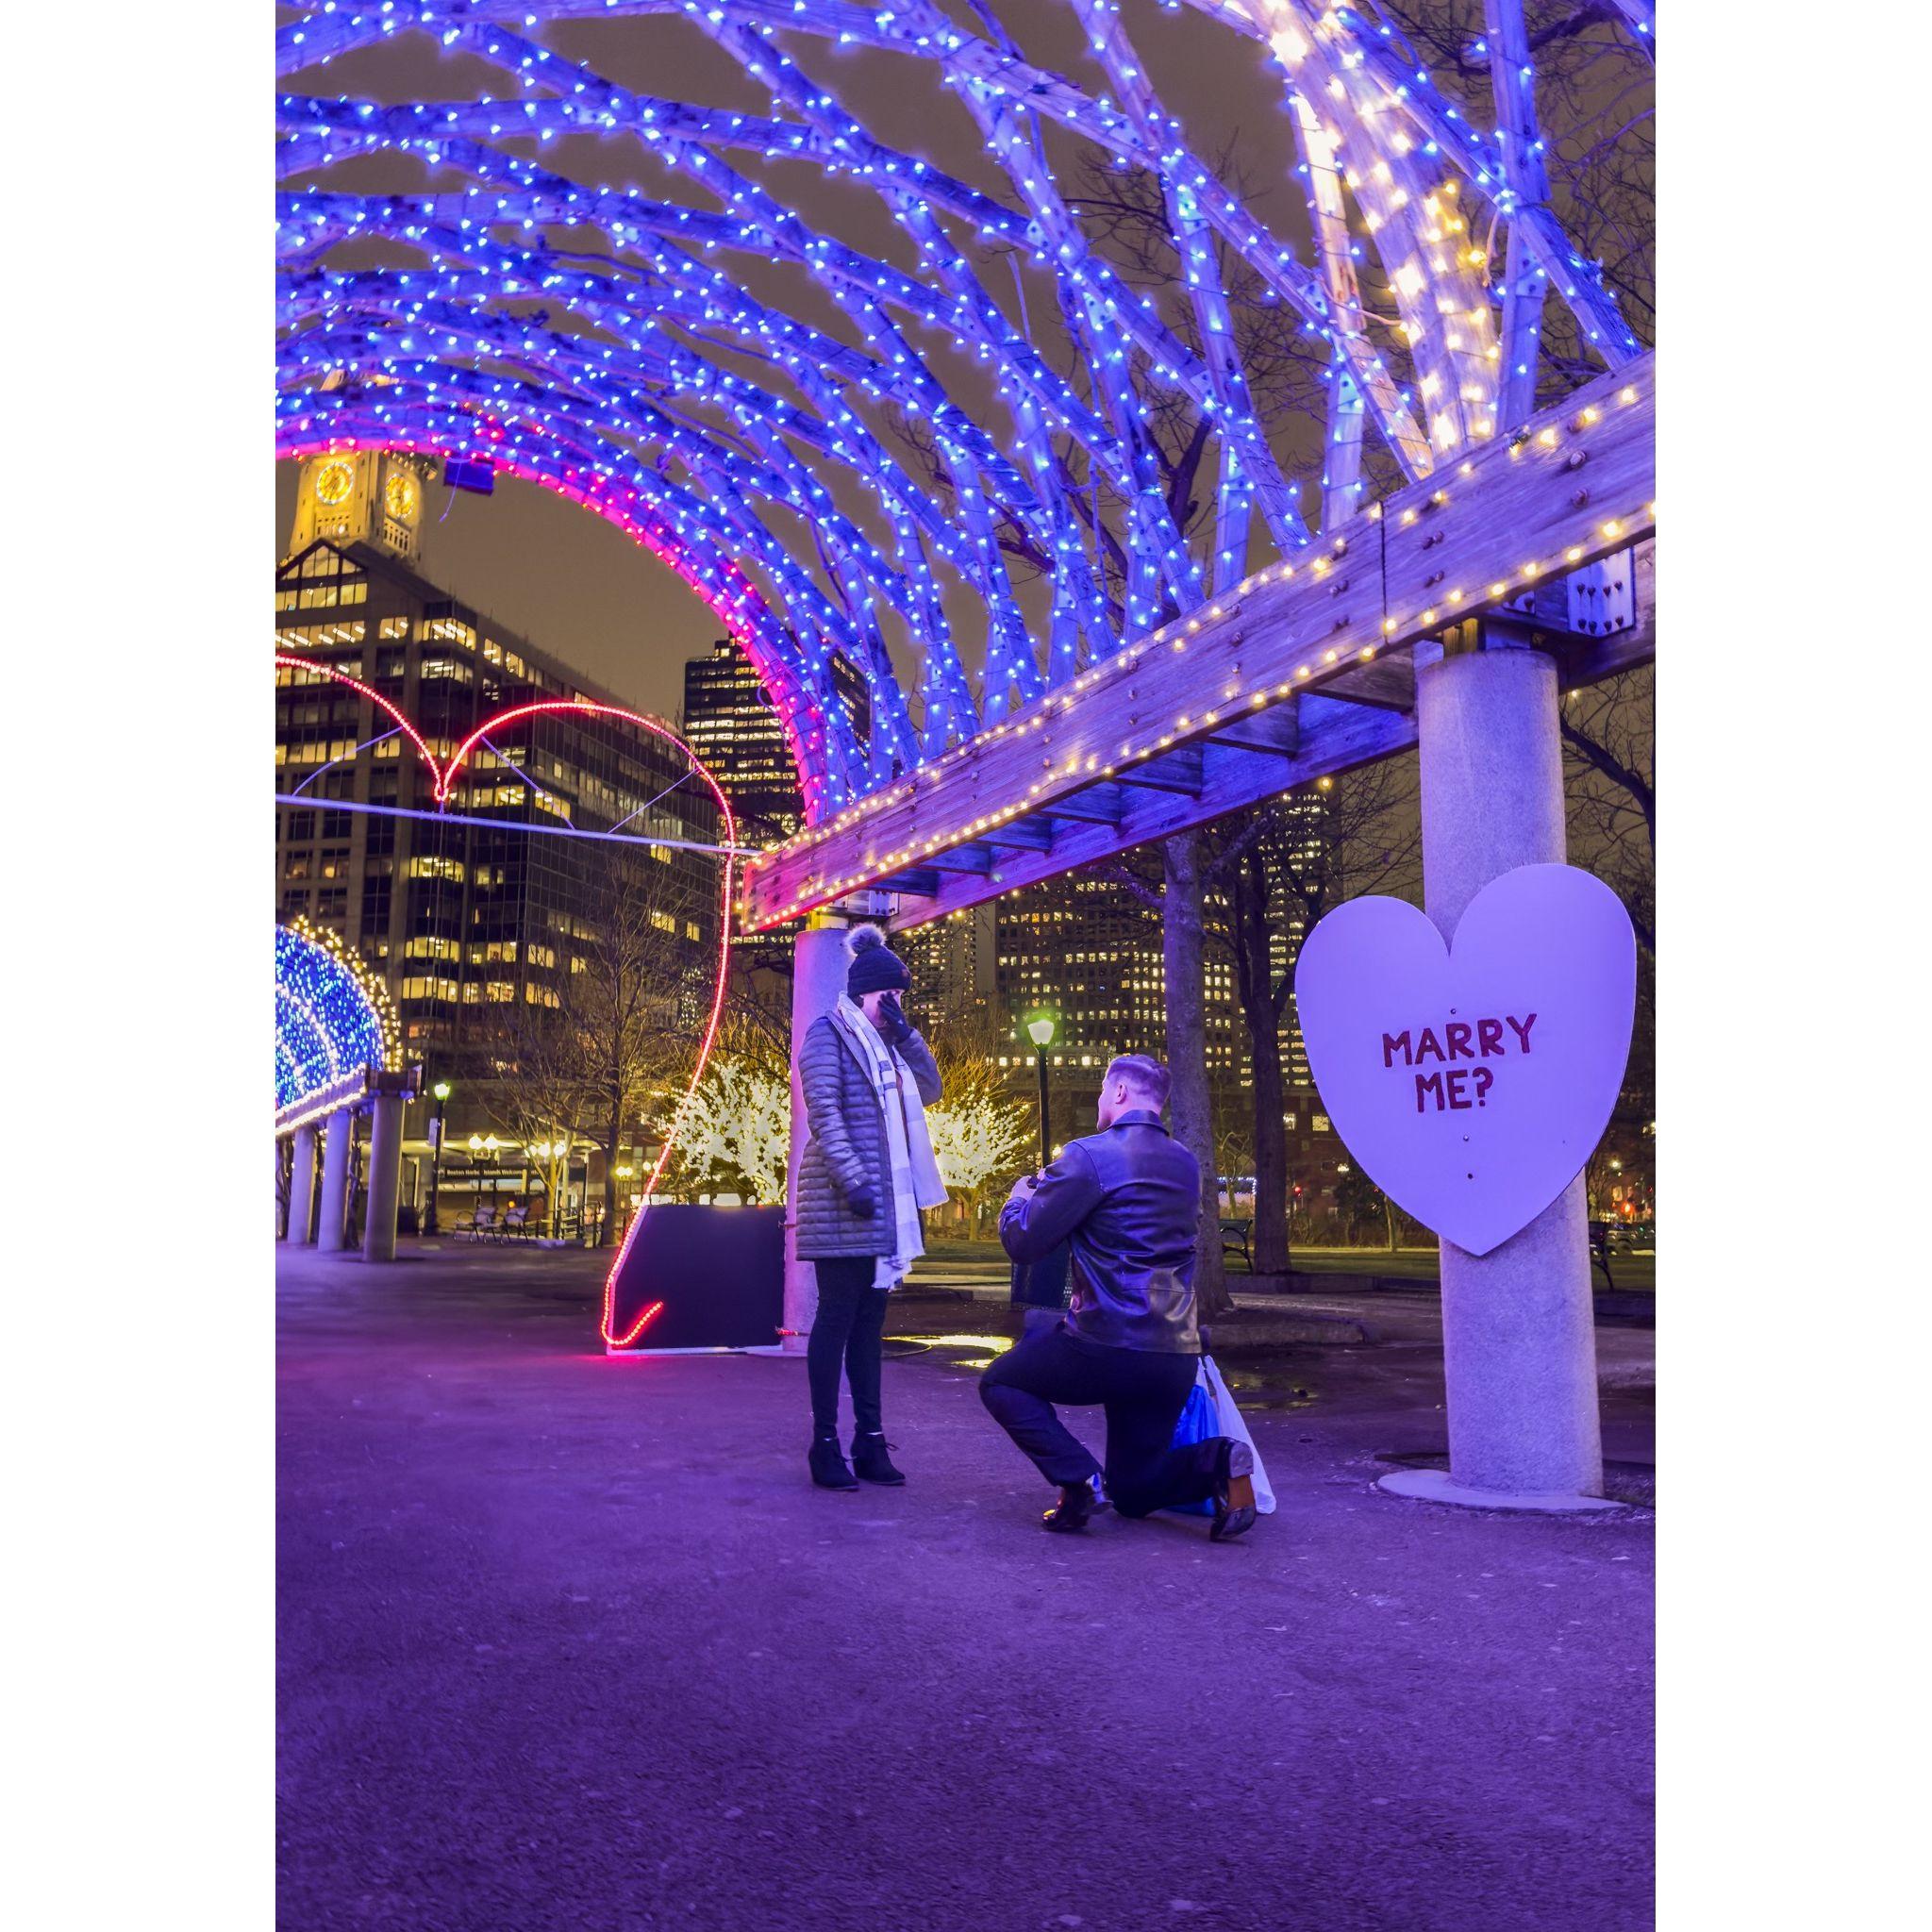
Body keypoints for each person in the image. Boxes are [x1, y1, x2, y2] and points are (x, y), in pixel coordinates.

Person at [978, 1055, 1257, 1541]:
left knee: (1001, 1382)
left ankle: (1079, 1479)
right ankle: (1221, 1459)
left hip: (1105, 1341)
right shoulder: (1185, 1164)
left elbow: (1024, 1242)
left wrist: (1019, 1198)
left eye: (1104, 1091)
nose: (1100, 1100)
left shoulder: (1089, 1156)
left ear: (1121, 1093)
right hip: (1173, 1351)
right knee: (1133, 1491)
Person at [795, 924, 947, 1491]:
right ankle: (824, 1444)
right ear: (867, 991)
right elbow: (824, 1112)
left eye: (902, 995)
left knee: (869, 1325)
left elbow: (929, 1089)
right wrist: (854, 1179)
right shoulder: (827, 1034)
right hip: (843, 1200)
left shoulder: (890, 1044)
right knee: (837, 1319)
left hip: (885, 1205)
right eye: (892, 995)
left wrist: (908, 1036)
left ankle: (871, 1441)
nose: (898, 1003)